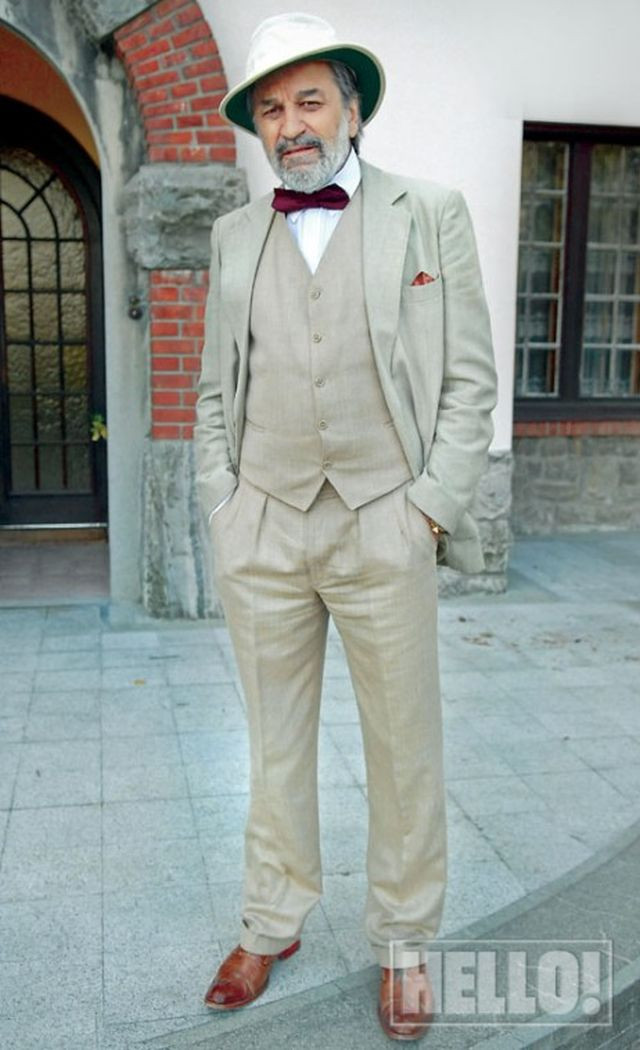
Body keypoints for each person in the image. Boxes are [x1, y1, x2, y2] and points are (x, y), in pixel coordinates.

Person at [194, 12, 497, 1041]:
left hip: (384, 521)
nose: (290, 124)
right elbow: (213, 388)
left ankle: (404, 942)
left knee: (405, 748)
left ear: (352, 111)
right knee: (272, 745)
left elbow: (468, 380)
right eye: (270, 108)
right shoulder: (233, 236)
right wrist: (224, 502)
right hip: (265, 524)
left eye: (309, 100)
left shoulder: (430, 213)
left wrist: (429, 508)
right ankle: (269, 920)